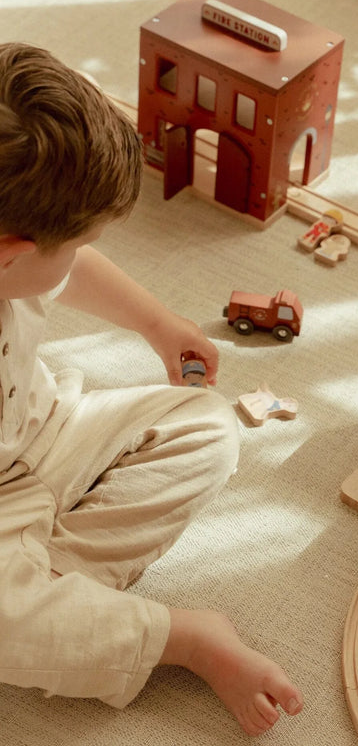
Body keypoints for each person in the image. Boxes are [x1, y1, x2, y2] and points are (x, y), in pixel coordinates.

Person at [0, 42, 303, 737]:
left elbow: (64, 270)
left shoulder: (17, 248)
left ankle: (59, 600)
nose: (80, 256)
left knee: (207, 425)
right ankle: (179, 637)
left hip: (45, 428)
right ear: (12, 253)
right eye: (75, 243)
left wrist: (158, 324)